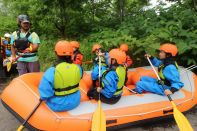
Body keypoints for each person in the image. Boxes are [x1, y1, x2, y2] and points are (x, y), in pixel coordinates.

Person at [39, 41, 82, 112]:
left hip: (58, 105)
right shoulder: (78, 68)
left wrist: (42, 98)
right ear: (72, 53)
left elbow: (45, 93)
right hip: (76, 101)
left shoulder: (52, 71)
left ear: (56, 53)